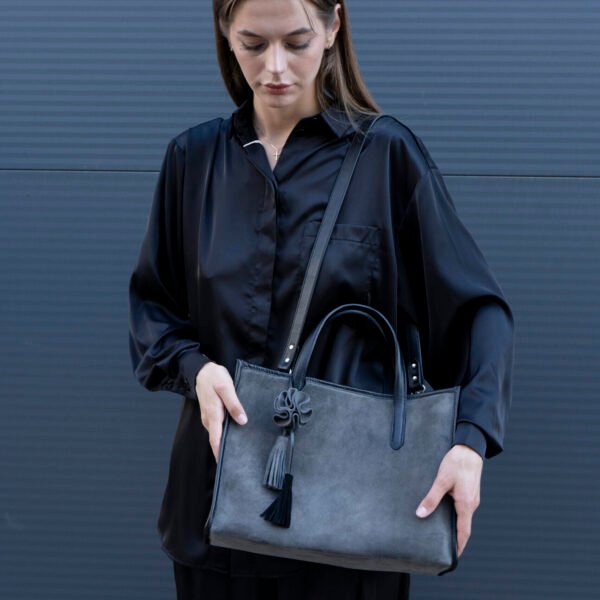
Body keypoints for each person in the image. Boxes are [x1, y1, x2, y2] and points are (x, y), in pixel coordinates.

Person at [128, 0, 514, 598]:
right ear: (226, 33)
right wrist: (196, 370)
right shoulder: (193, 160)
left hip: (353, 522)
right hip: (213, 513)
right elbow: (153, 311)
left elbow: (477, 311)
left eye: (296, 42)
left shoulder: (387, 156)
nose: (275, 67)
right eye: (253, 44)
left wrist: (470, 441)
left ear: (333, 26)